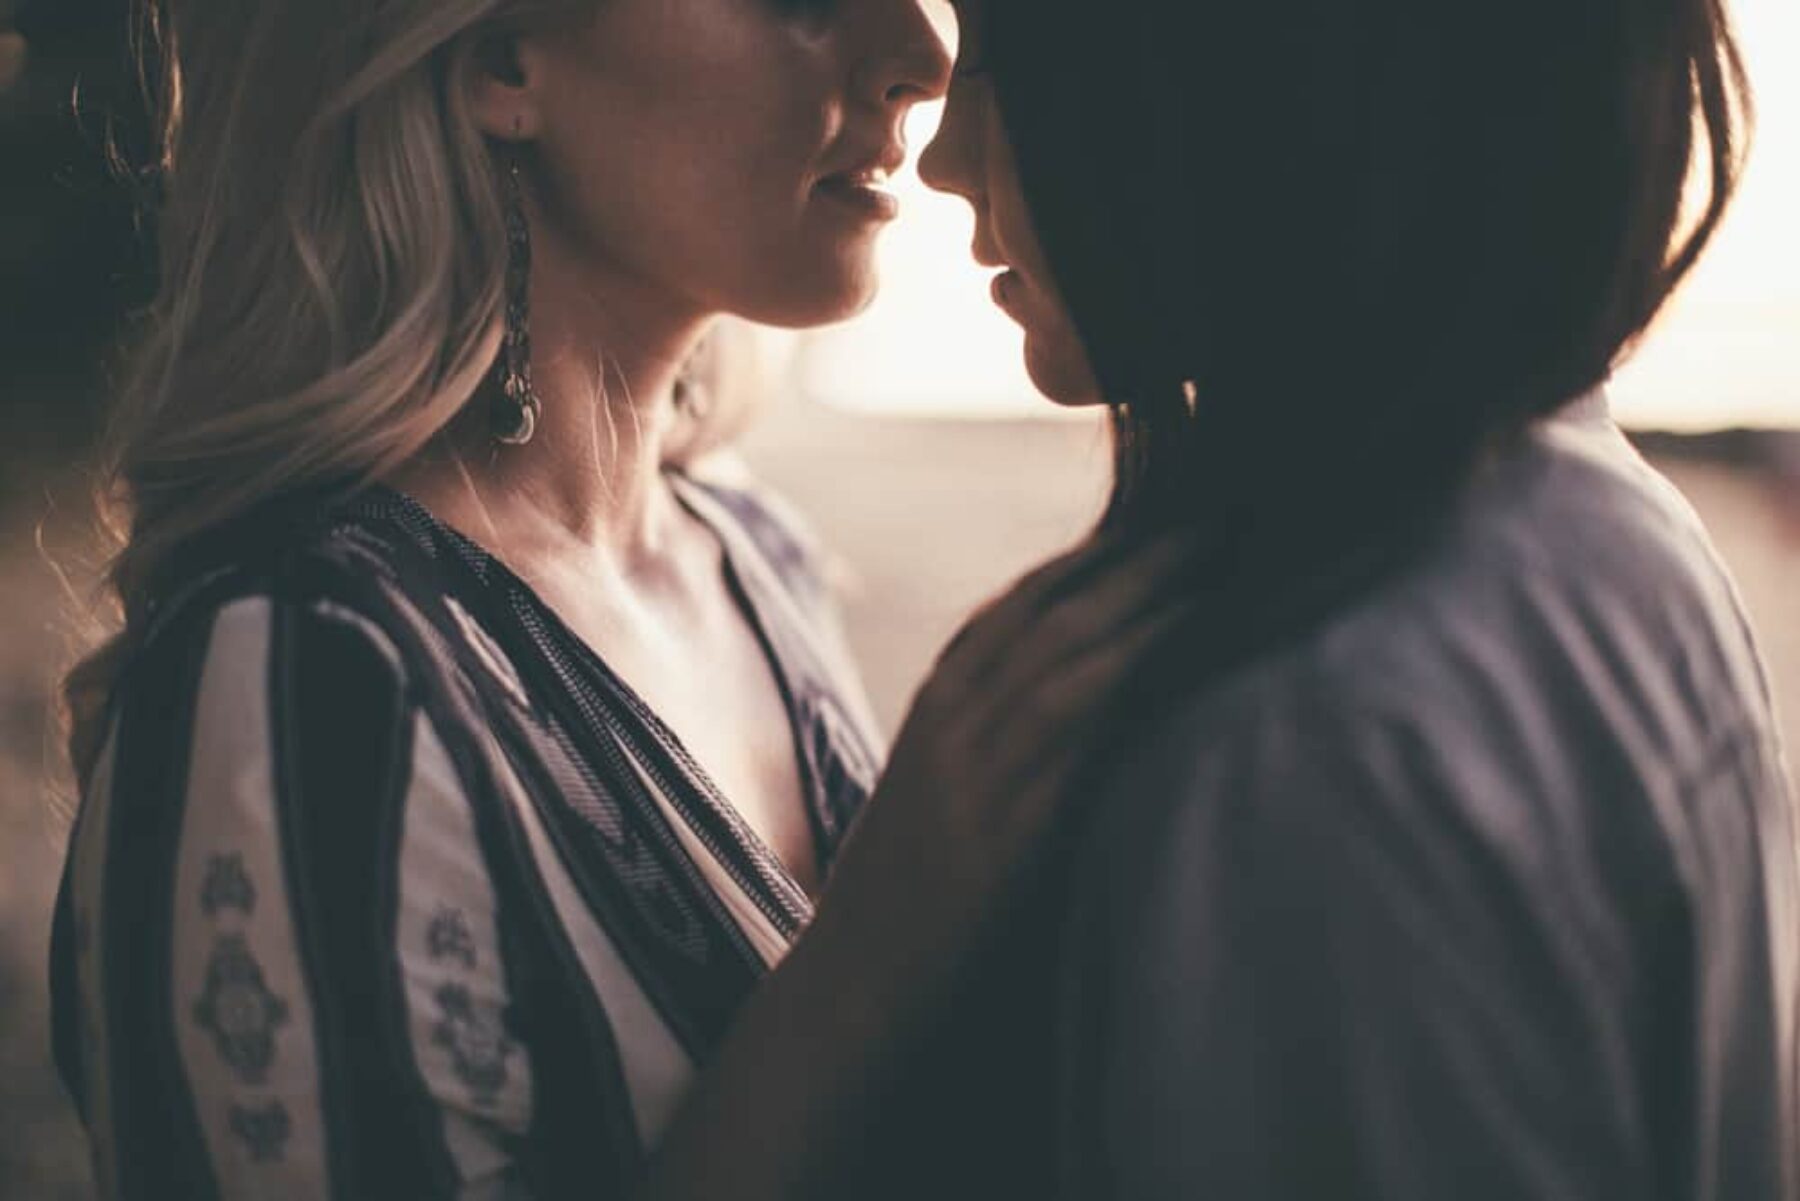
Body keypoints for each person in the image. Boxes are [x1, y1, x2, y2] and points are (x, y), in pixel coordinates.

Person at [45, 1, 1187, 1198]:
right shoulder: (298, 688)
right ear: (499, 60)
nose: (926, 55)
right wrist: (866, 956)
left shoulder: (749, 552)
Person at [903, 0, 1800, 1196]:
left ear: (1244, 74)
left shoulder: (1320, 745)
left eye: (1013, 55)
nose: (940, 157)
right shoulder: (1594, 516)